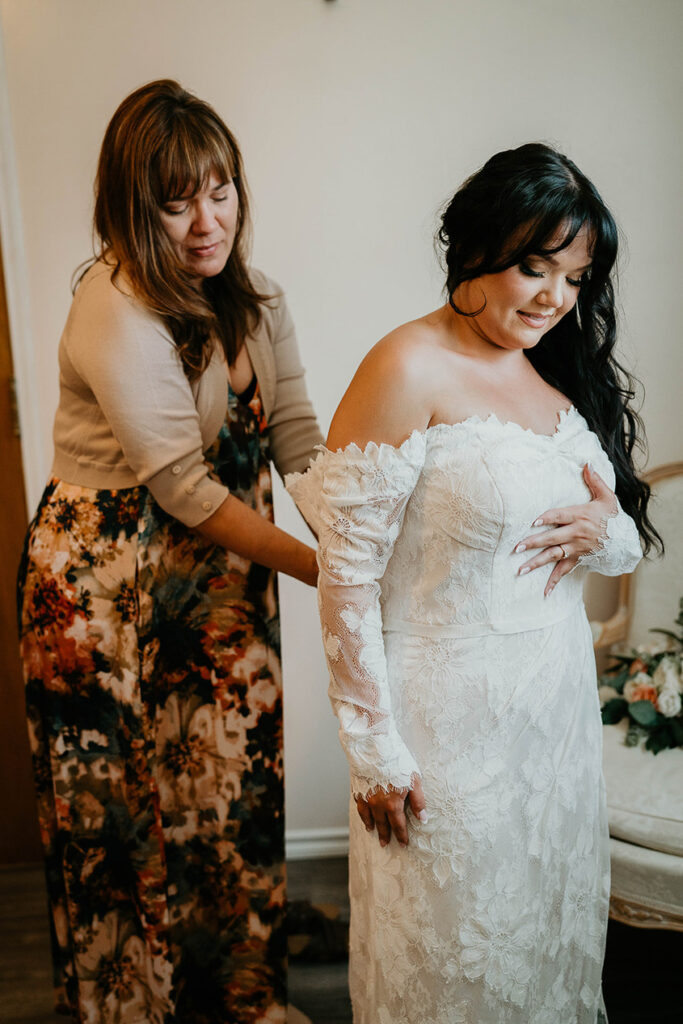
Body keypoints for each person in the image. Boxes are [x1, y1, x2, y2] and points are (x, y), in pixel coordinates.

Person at [287, 143, 661, 1024]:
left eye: (573, 278)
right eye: (533, 266)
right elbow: (345, 576)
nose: (552, 298)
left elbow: (612, 542)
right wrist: (373, 748)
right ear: (475, 250)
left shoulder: (552, 376)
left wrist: (609, 533)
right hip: (445, 733)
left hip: (552, 728)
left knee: (541, 951)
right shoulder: (406, 365)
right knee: (452, 964)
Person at [17, 79, 321, 1024]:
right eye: (175, 198)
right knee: (122, 817)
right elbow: (184, 488)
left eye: (221, 189)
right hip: (107, 589)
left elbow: (301, 440)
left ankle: (241, 995)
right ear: (129, 206)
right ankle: (131, 1010)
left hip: (222, 578)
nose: (206, 220)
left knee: (230, 789)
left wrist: (360, 526)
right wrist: (325, 572)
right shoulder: (112, 306)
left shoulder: (259, 298)